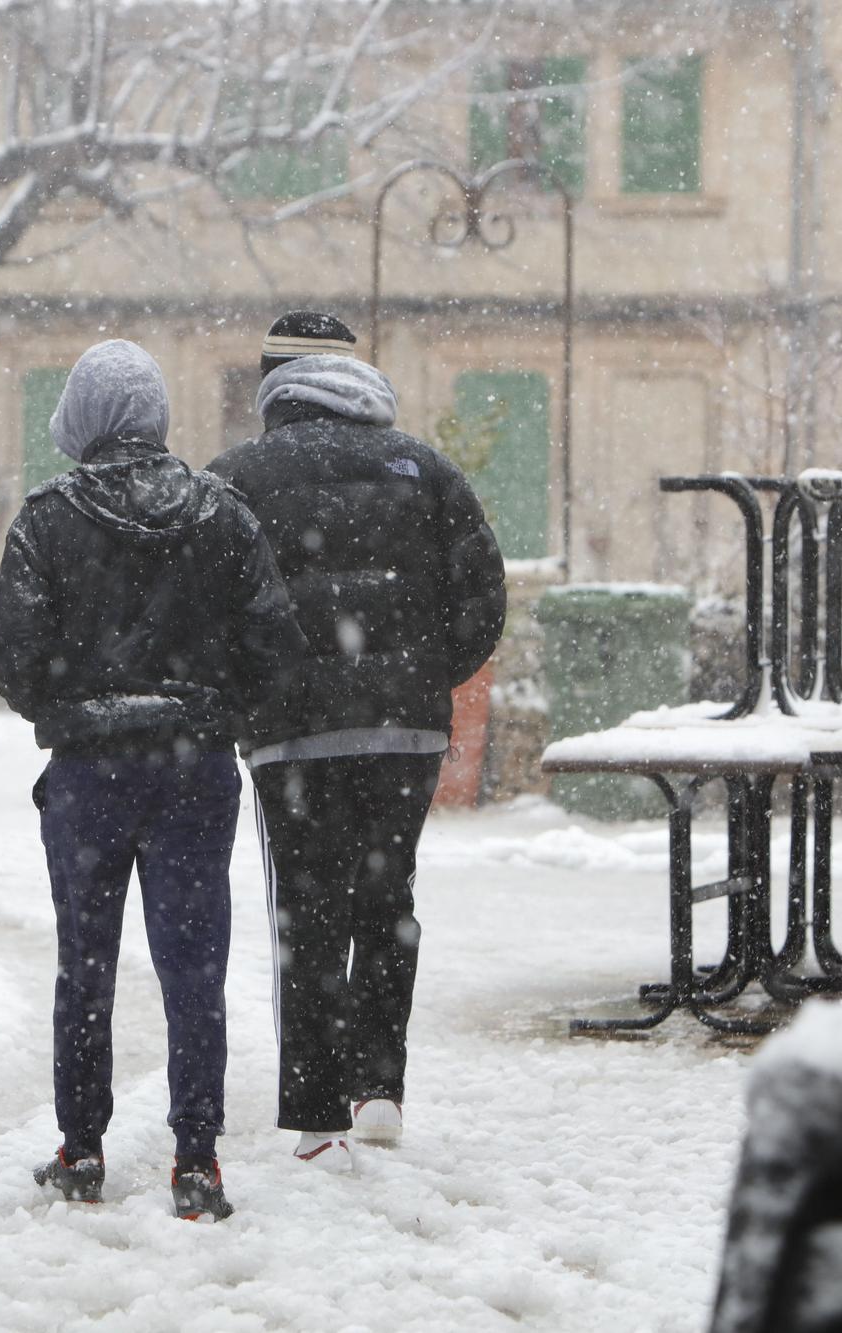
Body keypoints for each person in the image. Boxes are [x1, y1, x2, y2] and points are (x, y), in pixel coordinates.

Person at [0, 339, 305, 1221]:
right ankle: (197, 1158)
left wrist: (74, 706)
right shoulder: (222, 515)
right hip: (194, 771)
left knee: (84, 965)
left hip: (88, 774)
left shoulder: (46, 520)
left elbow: (11, 655)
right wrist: (211, 708)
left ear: (83, 419)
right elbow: (276, 650)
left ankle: (80, 1149)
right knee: (193, 967)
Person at [208, 312, 507, 1172]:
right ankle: (381, 1089)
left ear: (274, 384)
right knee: (387, 900)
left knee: (308, 910)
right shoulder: (427, 468)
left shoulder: (235, 478)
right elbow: (482, 594)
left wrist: (254, 695)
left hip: (291, 738)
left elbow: (210, 609)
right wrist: (420, 676)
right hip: (403, 731)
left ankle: (316, 1116)